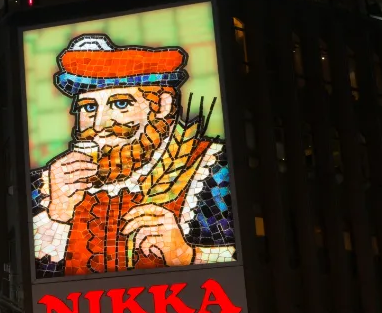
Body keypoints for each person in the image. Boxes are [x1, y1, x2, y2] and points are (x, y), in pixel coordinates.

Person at [30, 33, 233, 279]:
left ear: (162, 106)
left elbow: (254, 260)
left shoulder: (215, 168)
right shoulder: (46, 185)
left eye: (121, 104)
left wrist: (187, 253)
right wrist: (57, 217)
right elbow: (23, 286)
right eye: (89, 107)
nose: (100, 123)